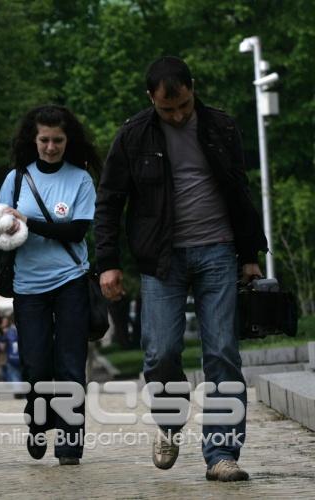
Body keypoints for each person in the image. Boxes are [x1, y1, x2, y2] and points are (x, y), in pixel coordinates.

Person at [95, 56, 267, 482]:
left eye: (184, 106)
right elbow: (110, 201)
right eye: (167, 109)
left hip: (218, 251)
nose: (176, 115)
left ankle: (222, 453)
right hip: (161, 258)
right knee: (160, 353)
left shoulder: (221, 127)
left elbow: (240, 191)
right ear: (150, 99)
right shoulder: (134, 135)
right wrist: (108, 263)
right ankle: (170, 424)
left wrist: (250, 254)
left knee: (223, 353)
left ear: (193, 88)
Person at [0, 104, 100, 465]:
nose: (51, 147)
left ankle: (70, 443)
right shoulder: (15, 179)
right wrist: (8, 226)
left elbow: (76, 231)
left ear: (68, 141)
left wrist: (30, 220)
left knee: (70, 365)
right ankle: (38, 420)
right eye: (44, 140)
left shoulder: (80, 179)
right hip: (28, 286)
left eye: (58, 140)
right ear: (33, 139)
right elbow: (0, 223)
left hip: (71, 281)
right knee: (36, 365)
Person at [0, 315, 21, 384]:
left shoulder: (7, 332)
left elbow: (2, 347)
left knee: (14, 378)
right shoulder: (26, 330)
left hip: (11, 359)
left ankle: (17, 392)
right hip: (23, 359)